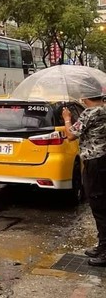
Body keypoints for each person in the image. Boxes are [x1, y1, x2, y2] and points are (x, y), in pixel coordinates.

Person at [62, 82, 106, 267]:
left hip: (95, 163)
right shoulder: (103, 110)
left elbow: (71, 135)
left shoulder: (91, 113)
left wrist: (66, 118)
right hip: (102, 160)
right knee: (101, 203)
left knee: (98, 205)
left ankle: (105, 252)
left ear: (85, 97)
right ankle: (102, 246)